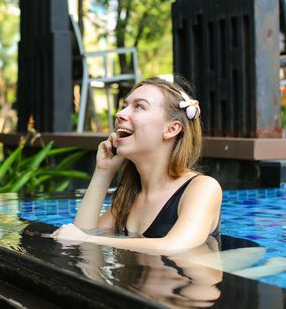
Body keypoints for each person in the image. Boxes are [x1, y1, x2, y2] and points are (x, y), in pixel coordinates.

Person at [52, 76, 222, 254]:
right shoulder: (128, 196)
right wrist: (103, 172)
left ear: (171, 129)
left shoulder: (202, 188)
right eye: (124, 106)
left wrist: (87, 239)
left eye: (139, 106)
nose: (120, 114)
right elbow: (78, 242)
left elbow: (175, 246)